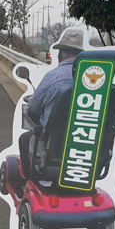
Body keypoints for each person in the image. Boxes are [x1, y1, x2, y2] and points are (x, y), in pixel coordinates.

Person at [19, 29, 84, 178]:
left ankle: (31, 180)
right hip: (85, 154)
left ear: (60, 54)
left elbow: (32, 110)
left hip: (50, 150)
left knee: (24, 139)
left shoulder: (52, 77)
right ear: (81, 56)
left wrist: (31, 102)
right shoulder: (96, 82)